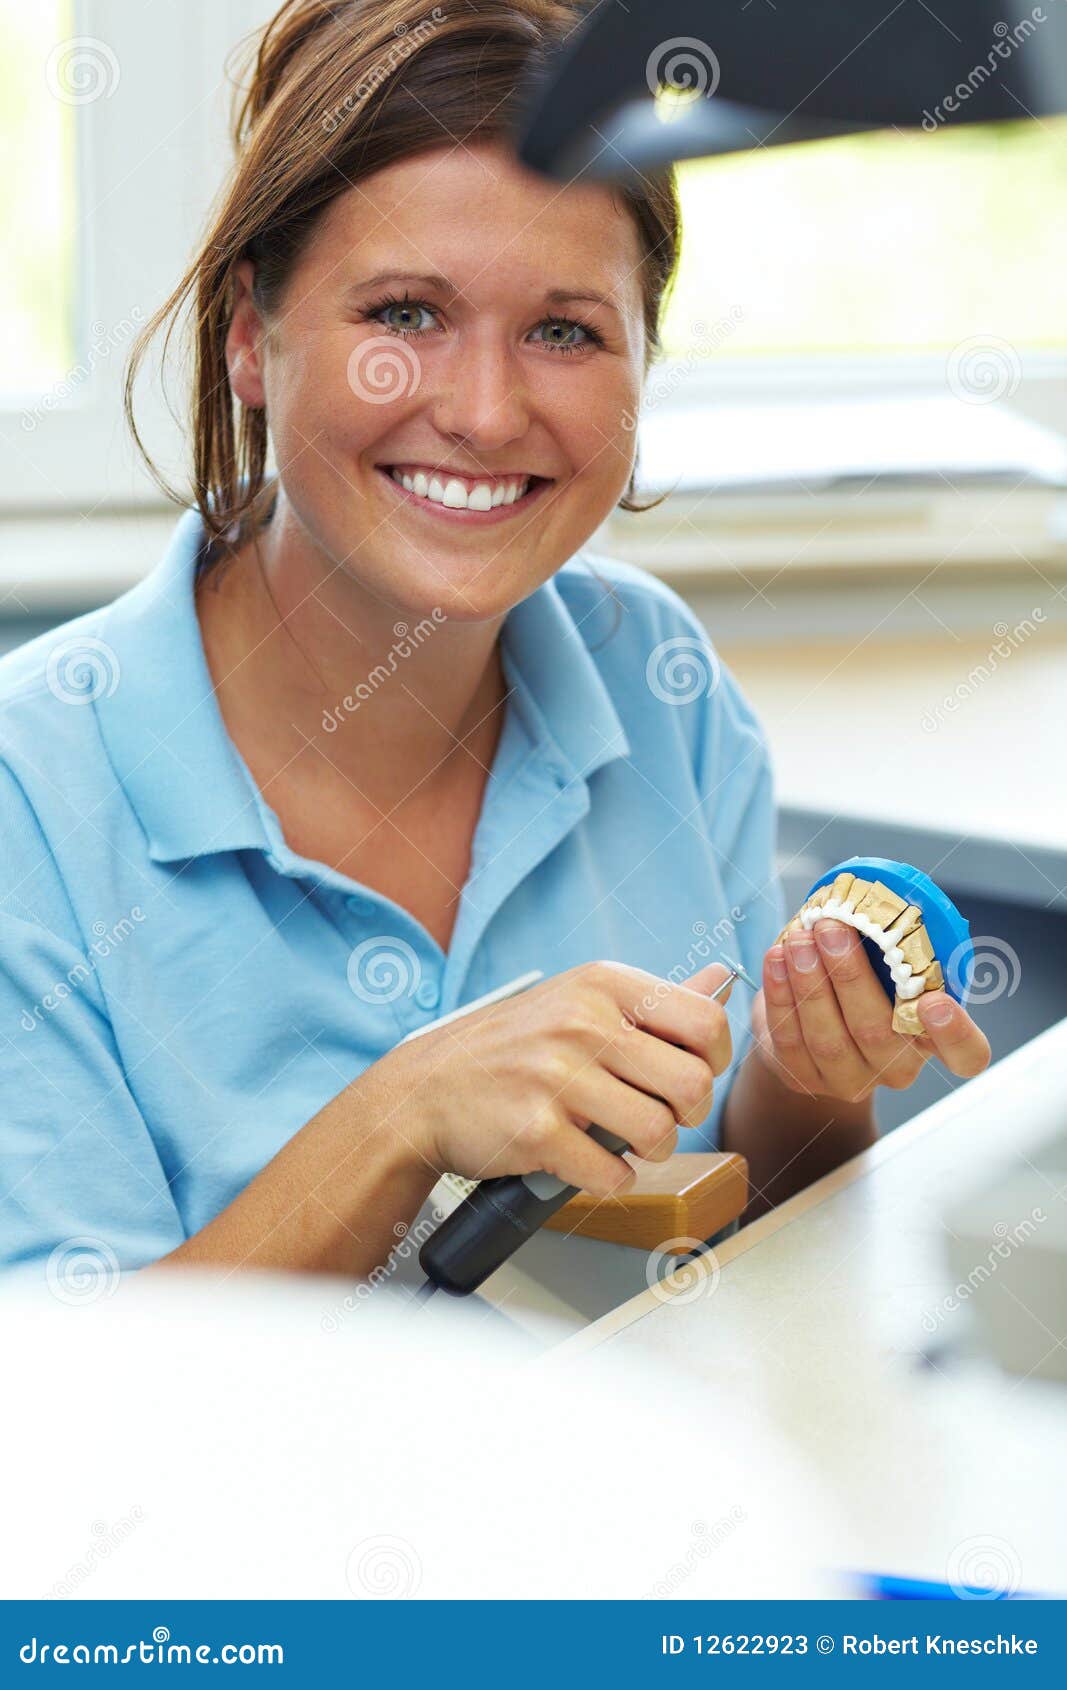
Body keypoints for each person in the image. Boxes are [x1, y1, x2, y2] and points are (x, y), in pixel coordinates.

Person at [0, 0, 990, 1286]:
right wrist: (399, 1117)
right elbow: (61, 1417)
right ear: (253, 335)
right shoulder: (33, 795)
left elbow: (749, 1240)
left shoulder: (659, 683)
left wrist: (807, 1080)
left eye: (564, 331)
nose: (482, 410)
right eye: (405, 314)